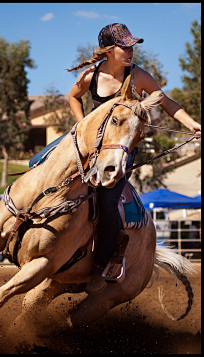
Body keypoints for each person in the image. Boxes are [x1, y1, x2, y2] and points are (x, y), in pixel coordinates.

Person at [29, 23, 201, 294]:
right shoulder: (90, 76)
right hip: (87, 144)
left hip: (119, 152)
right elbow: (73, 97)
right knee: (37, 164)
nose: (130, 51)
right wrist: (82, 124)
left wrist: (191, 123)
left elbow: (166, 102)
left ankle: (100, 266)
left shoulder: (138, 77)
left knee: (108, 203)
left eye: (132, 46)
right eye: (125, 46)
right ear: (109, 51)